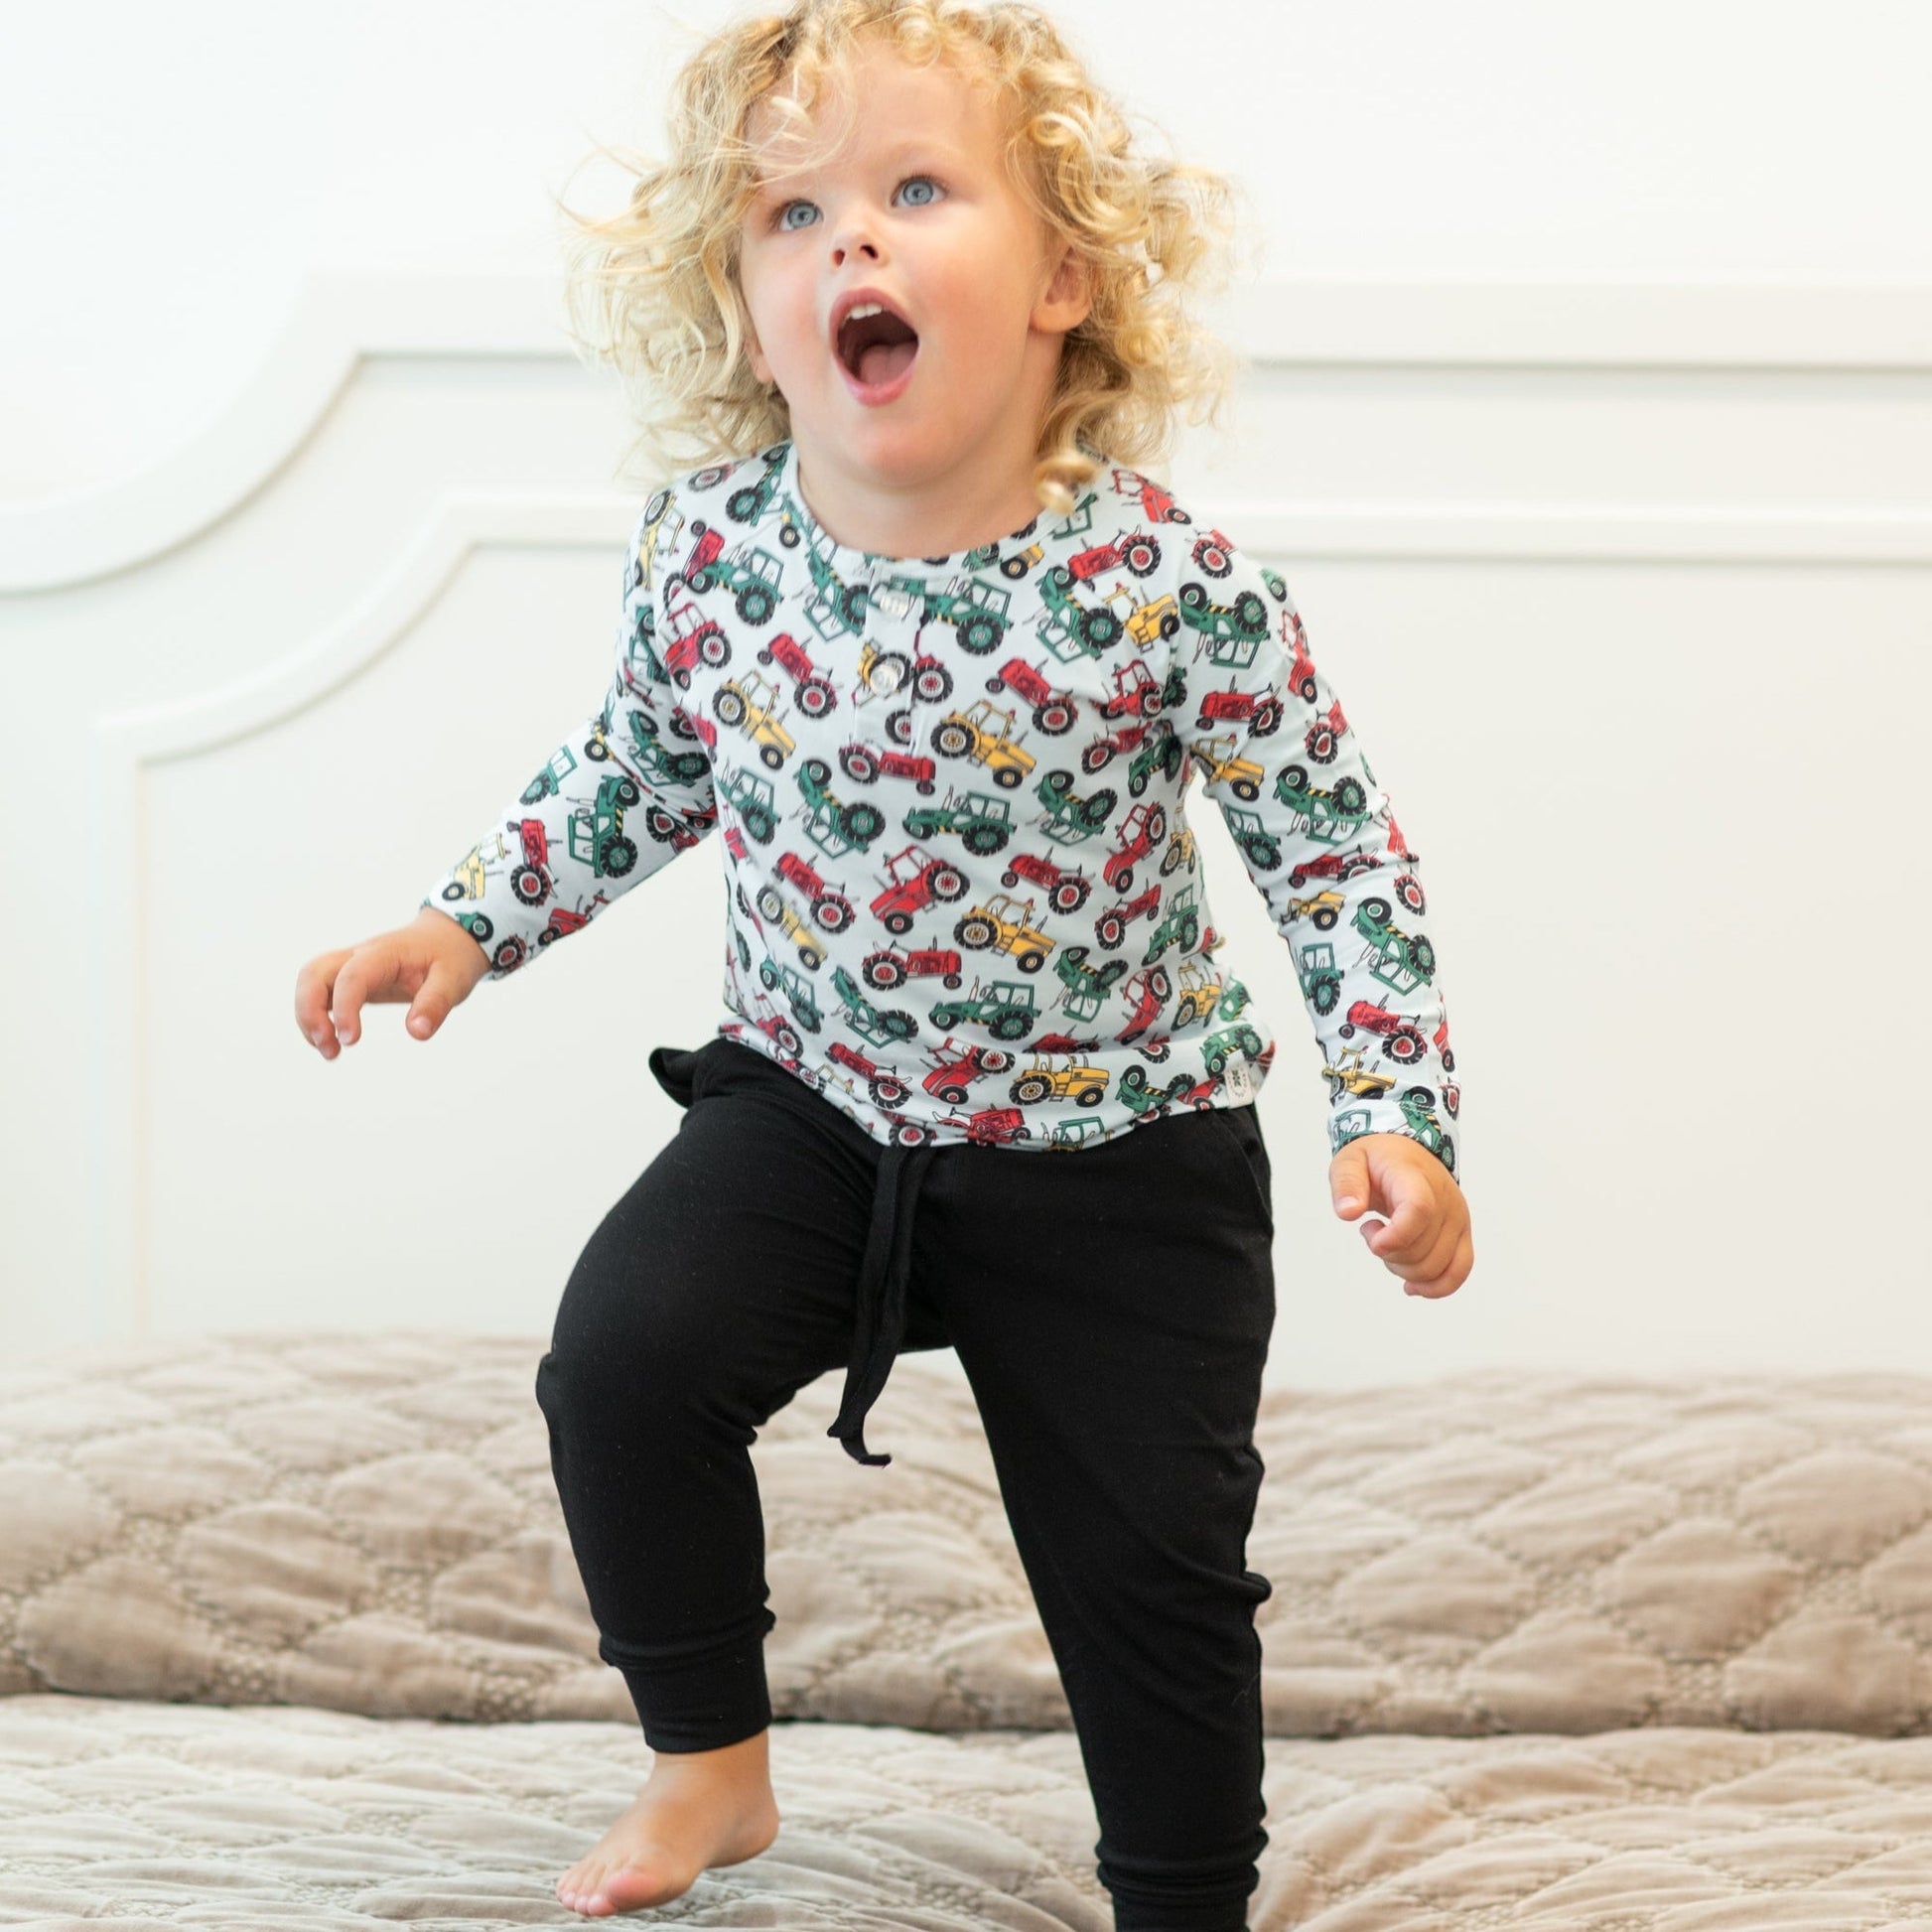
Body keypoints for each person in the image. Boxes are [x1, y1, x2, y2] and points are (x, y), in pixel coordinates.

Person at [293, 0, 1474, 1922]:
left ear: (1063, 281)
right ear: (746, 312)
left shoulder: (1168, 587)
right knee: (622, 1362)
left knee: (1152, 1567)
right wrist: (463, 922)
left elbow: (1334, 860)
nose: (847, 236)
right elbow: (639, 771)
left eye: (917, 189)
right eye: (790, 215)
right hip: (818, 1108)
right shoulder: (711, 554)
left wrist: (1395, 1111)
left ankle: (1182, 1892)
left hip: (1119, 1145)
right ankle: (710, 1762)